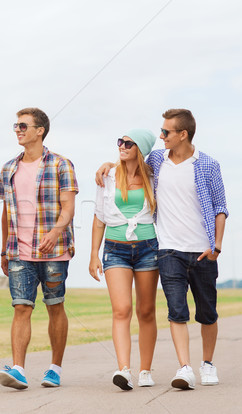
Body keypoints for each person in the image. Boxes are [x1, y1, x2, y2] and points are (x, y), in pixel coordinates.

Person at [96, 109, 228, 390]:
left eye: (166, 132)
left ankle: (207, 363)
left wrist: (216, 245)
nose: (161, 136)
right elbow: (129, 165)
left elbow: (220, 207)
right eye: (161, 131)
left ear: (183, 134)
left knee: (207, 312)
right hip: (167, 249)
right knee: (176, 311)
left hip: (202, 249)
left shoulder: (207, 165)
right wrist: (108, 163)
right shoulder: (157, 161)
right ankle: (184, 368)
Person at [0, 107, 78, 390]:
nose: (18, 130)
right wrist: (4, 250)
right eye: (16, 126)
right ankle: (18, 369)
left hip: (55, 251)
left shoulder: (61, 165)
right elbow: (7, 212)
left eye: (23, 125)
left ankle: (54, 369)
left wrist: (56, 232)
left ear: (40, 130)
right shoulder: (8, 168)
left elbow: (68, 207)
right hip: (19, 252)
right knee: (21, 307)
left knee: (55, 306)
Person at [89, 129, 159, 390]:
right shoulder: (107, 176)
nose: (122, 146)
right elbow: (99, 217)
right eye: (120, 141)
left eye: (129, 143)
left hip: (148, 248)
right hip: (115, 249)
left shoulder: (154, 176)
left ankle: (145, 371)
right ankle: (124, 369)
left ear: (140, 148)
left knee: (146, 311)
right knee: (121, 310)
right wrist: (94, 254)